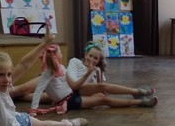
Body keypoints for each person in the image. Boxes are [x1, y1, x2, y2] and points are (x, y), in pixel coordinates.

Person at [13, 41, 156, 108]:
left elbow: (101, 89)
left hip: (67, 92)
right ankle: (7, 93)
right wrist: (88, 73)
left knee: (102, 95)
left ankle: (138, 96)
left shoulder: (94, 70)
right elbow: (74, 84)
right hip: (67, 87)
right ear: (85, 55)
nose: (92, 59)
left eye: (96, 58)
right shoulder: (74, 62)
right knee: (22, 90)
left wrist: (97, 73)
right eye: (90, 56)